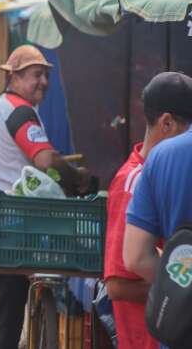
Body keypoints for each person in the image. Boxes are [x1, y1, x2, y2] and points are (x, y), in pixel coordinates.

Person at [0, 45, 91, 349]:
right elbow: (45, 160)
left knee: (7, 322)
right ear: (13, 76)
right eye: (36, 75)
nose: (43, 82)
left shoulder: (11, 107)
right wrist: (78, 179)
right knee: (3, 330)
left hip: (11, 226)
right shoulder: (18, 110)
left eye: (46, 76)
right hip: (4, 229)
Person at [104, 73, 192, 349]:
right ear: (166, 122)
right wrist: (181, 286)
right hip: (148, 337)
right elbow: (117, 284)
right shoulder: (132, 180)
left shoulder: (155, 167)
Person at [124, 72, 192, 286]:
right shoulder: (134, 175)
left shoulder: (161, 157)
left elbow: (136, 257)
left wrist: (181, 289)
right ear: (166, 122)